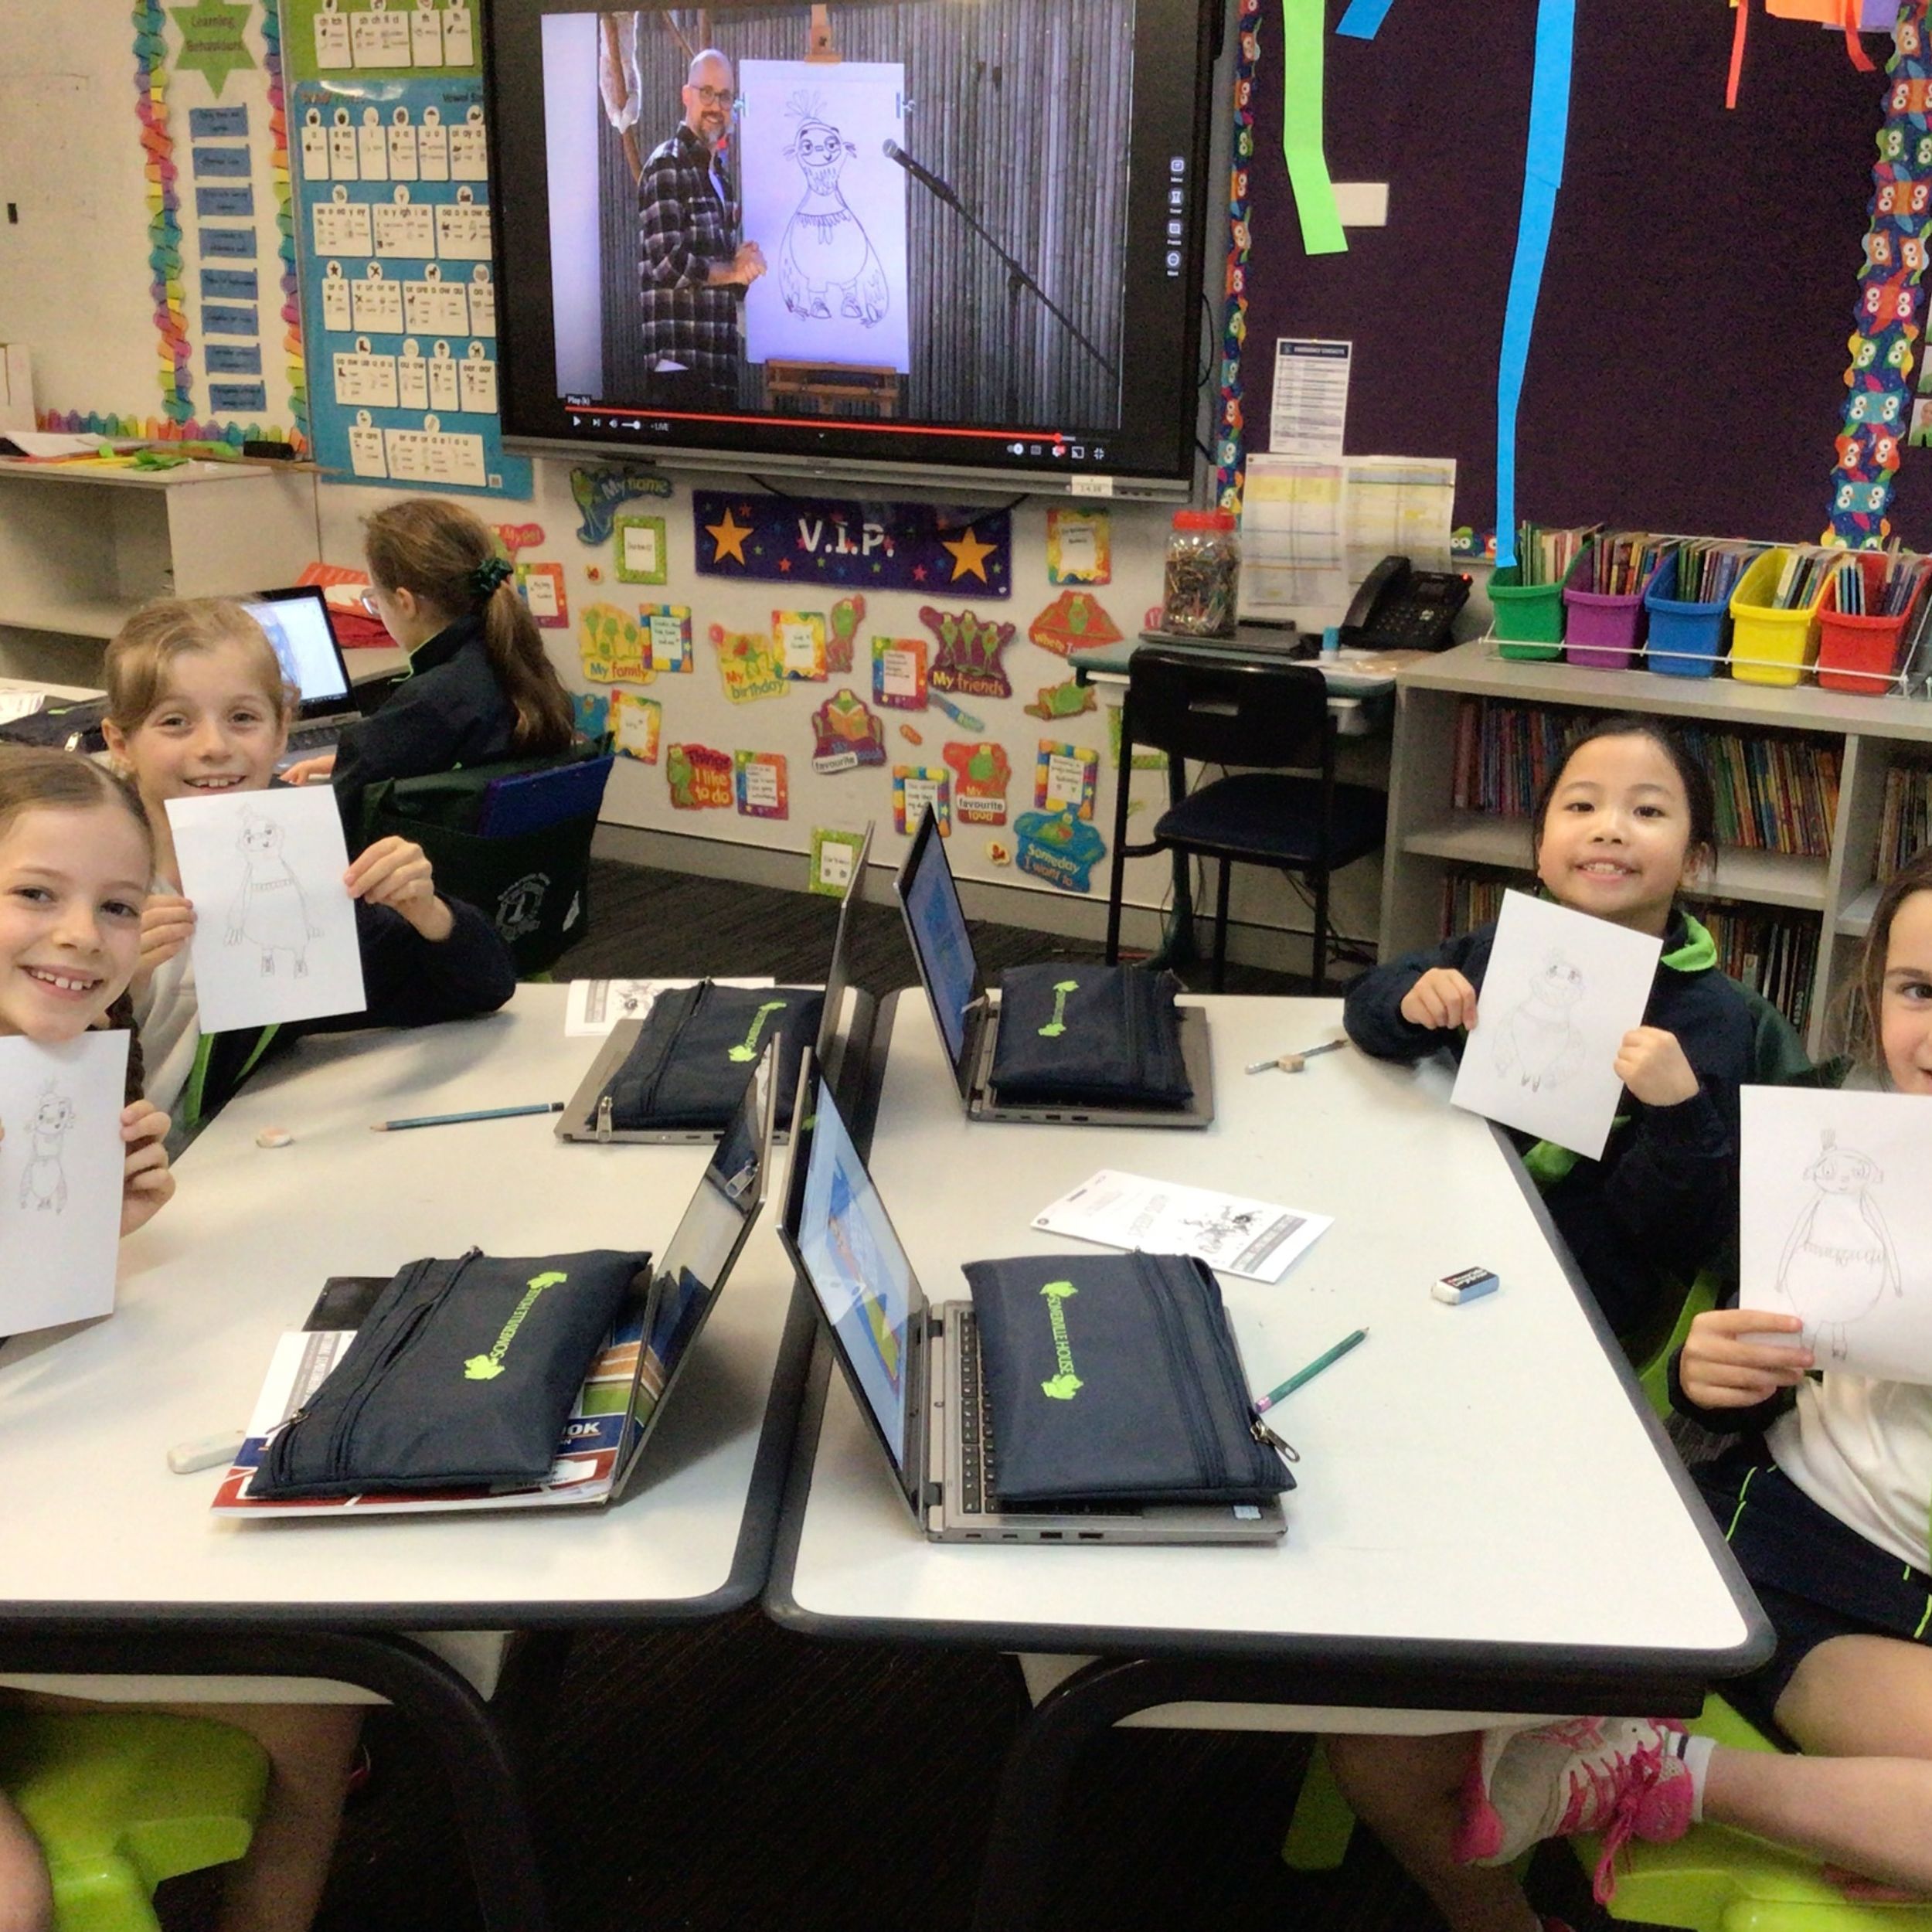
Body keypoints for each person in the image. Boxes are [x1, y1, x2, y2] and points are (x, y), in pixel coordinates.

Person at [1325, 845, 1932, 1930]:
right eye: (1918, 990)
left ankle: (1657, 1770)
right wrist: (1711, 1374)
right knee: (1387, 1744)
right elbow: (1740, 1351)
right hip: (1808, 1547)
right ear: (1874, 988)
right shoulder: (1838, 1126)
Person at [1342, 712, 1763, 1339]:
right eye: (1581, 806)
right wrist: (1409, 1001)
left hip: (1582, 1278)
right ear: (1541, 850)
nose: (1608, 829)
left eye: (1647, 812)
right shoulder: (1503, 948)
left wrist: (1679, 1113)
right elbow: (1365, 1007)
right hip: (1452, 1207)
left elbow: (1683, 1233)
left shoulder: (1710, 1017)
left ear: (1694, 862)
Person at [99, 597, 516, 1125]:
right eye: (176, 722)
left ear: (281, 731)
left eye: (243, 718)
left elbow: (481, 988)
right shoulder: (76, 882)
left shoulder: (305, 863)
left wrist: (428, 912)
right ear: (121, 743)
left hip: (220, 1154)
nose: (214, 746)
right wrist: (109, 992)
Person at [280, 499, 577, 842]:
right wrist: (354, 759)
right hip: (510, 863)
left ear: (405, 602)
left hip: (428, 868)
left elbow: (333, 822)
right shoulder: (520, 664)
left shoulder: (431, 700)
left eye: (374, 598)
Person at [637, 46, 766, 409]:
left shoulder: (719, 177)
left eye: (724, 96)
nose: (716, 106)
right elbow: (668, 265)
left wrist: (741, 268)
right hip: (679, 372)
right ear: (686, 95)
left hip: (718, 369)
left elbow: (719, 276)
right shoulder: (667, 164)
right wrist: (733, 271)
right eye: (706, 92)